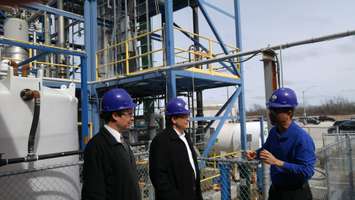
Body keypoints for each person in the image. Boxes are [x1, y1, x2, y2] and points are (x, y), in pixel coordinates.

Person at [246, 87, 316, 200]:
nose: (270, 114)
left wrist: (277, 162)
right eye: (270, 109)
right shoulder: (274, 132)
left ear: (289, 113)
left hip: (296, 193)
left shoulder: (302, 138)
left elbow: (307, 171)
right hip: (276, 191)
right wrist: (256, 154)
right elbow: (267, 150)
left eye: (275, 110)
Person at [81, 88, 141, 200]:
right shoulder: (97, 147)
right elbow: (93, 192)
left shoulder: (121, 141)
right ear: (115, 115)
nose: (132, 118)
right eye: (129, 114)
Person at [149, 98, 203, 200]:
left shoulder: (185, 136)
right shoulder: (161, 141)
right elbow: (158, 177)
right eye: (184, 116)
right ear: (173, 119)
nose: (188, 119)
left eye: (188, 115)